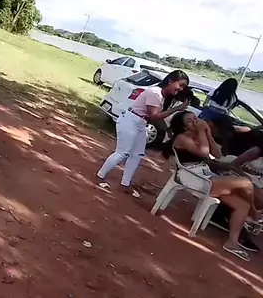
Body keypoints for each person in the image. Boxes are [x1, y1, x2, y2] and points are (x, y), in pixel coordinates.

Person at [166, 111, 261, 261]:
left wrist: (208, 134)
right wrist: (202, 131)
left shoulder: (198, 136)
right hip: (193, 177)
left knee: (242, 204)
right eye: (190, 121)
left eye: (195, 118)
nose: (195, 121)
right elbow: (204, 152)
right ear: (183, 127)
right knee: (245, 183)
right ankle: (254, 213)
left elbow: (217, 154)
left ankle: (232, 243)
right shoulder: (182, 137)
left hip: (206, 175)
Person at [97, 70, 190, 196]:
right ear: (170, 81)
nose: (181, 89)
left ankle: (125, 183)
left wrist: (167, 131)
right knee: (122, 152)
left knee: (137, 154)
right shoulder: (155, 93)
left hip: (140, 123)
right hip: (130, 121)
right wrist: (176, 109)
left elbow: (156, 117)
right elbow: (154, 116)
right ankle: (100, 175)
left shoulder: (162, 96)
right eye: (180, 85)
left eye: (183, 87)